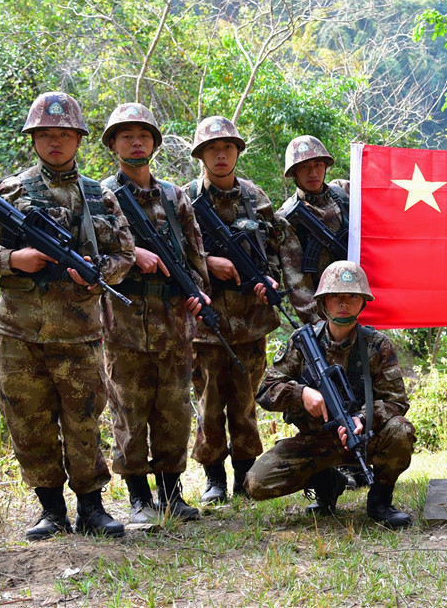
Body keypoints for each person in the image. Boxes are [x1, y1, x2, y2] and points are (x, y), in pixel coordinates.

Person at [0, 91, 134, 540]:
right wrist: (13, 259)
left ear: (78, 139)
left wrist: (99, 274)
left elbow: (124, 254)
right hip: (19, 332)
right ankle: (50, 510)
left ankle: (92, 508)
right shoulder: (10, 192)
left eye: (63, 135)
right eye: (45, 135)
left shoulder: (99, 196)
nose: (54, 142)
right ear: (33, 140)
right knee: (28, 421)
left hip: (78, 333)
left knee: (83, 420)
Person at [245, 261, 416, 529]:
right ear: (323, 302)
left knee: (400, 431)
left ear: (363, 302)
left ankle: (380, 501)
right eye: (335, 296)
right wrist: (301, 394)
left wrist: (362, 417)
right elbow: (266, 392)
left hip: (361, 438)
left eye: (352, 297)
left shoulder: (377, 345)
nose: (343, 303)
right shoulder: (303, 342)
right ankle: (328, 482)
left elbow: (396, 401)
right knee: (256, 483)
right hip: (315, 441)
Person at [100, 103, 208, 523]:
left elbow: (194, 252)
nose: (136, 142)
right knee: (129, 409)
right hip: (123, 320)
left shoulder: (174, 195)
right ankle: (139, 498)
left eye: (143, 135)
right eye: (126, 136)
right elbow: (93, 255)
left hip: (174, 320)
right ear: (113, 144)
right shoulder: (100, 195)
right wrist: (132, 254)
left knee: (175, 409)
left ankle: (172, 493)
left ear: (155, 144)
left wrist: (201, 294)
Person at [187, 115, 284, 503]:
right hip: (205, 324)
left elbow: (273, 250)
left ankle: (245, 475)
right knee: (209, 404)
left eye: (228, 147)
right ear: (201, 155)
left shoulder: (254, 197)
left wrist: (270, 280)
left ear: (237, 152)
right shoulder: (185, 198)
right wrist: (208, 262)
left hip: (250, 321)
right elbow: (174, 254)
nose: (221, 154)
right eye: (213, 148)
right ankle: (213, 478)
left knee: (245, 402)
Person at [277, 135, 350, 327]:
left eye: (318, 164)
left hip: (357, 298)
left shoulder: (343, 193)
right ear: (294, 173)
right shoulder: (287, 217)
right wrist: (317, 323)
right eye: (304, 167)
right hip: (322, 308)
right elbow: (296, 280)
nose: (313, 173)